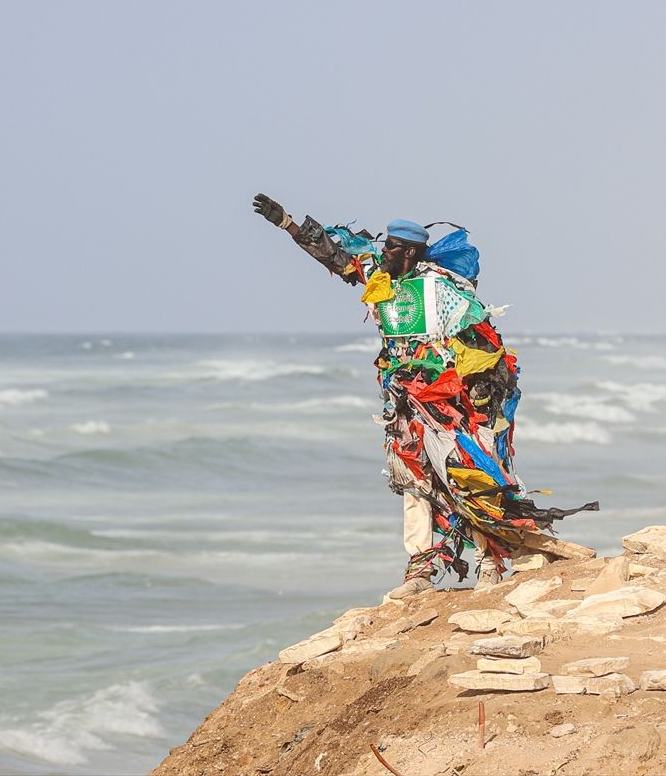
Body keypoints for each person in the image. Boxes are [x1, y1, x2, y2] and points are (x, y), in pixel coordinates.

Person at [252, 193, 597, 599]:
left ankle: (491, 561)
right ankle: (420, 570)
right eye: (385, 246)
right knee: (414, 481)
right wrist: (287, 223)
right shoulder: (379, 279)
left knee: (470, 477)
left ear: (411, 252)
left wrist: (481, 396)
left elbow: (482, 340)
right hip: (402, 402)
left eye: (393, 248)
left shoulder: (441, 287)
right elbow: (336, 255)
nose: (384, 253)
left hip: (451, 404)